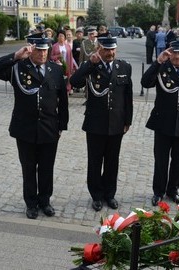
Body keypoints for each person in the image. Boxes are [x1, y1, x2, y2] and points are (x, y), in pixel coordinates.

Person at [0, 33, 69, 219]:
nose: (42, 54)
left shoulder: (55, 70)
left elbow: (62, 101)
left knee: (47, 168)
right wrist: (16, 56)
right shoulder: (17, 68)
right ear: (31, 50)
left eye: (45, 50)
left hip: (49, 128)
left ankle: (45, 201)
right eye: (38, 50)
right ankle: (31, 204)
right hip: (25, 129)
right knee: (29, 168)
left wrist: (61, 126)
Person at [70, 33, 133, 212]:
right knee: (95, 161)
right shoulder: (91, 67)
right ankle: (96, 195)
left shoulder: (124, 67)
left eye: (112, 49)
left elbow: (128, 97)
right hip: (95, 124)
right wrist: (90, 63)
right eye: (106, 49)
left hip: (116, 123)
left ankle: (109, 194)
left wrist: (127, 120)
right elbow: (75, 81)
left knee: (112, 161)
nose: (110, 52)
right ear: (99, 49)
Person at [141, 39, 179, 206]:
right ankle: (158, 191)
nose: (177, 56)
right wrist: (158, 61)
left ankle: (173, 190)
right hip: (163, 123)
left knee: (178, 160)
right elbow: (145, 82)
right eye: (174, 53)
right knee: (161, 160)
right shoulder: (162, 69)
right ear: (170, 53)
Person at [51, 29, 77, 95]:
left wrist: (71, 68)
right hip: (57, 66)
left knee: (67, 79)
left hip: (67, 65)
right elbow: (51, 57)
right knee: (59, 79)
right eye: (59, 36)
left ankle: (67, 91)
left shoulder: (67, 46)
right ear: (57, 37)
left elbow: (71, 57)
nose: (61, 37)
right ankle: (58, 91)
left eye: (62, 36)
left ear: (65, 37)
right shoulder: (54, 46)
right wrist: (58, 56)